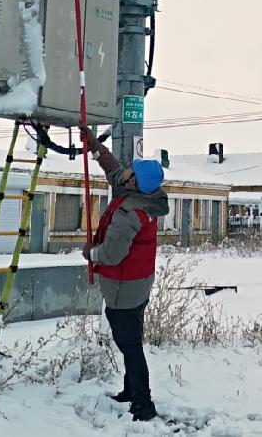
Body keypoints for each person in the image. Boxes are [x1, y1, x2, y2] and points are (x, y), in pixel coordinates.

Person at [80, 128, 169, 422]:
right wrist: (94, 146)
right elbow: (114, 170)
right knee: (132, 338)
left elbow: (112, 253)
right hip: (140, 282)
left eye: (131, 171)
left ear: (134, 182)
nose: (126, 171)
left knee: (129, 344)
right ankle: (131, 391)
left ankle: (143, 405)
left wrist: (90, 253)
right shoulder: (148, 197)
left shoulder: (129, 212)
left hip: (124, 286)